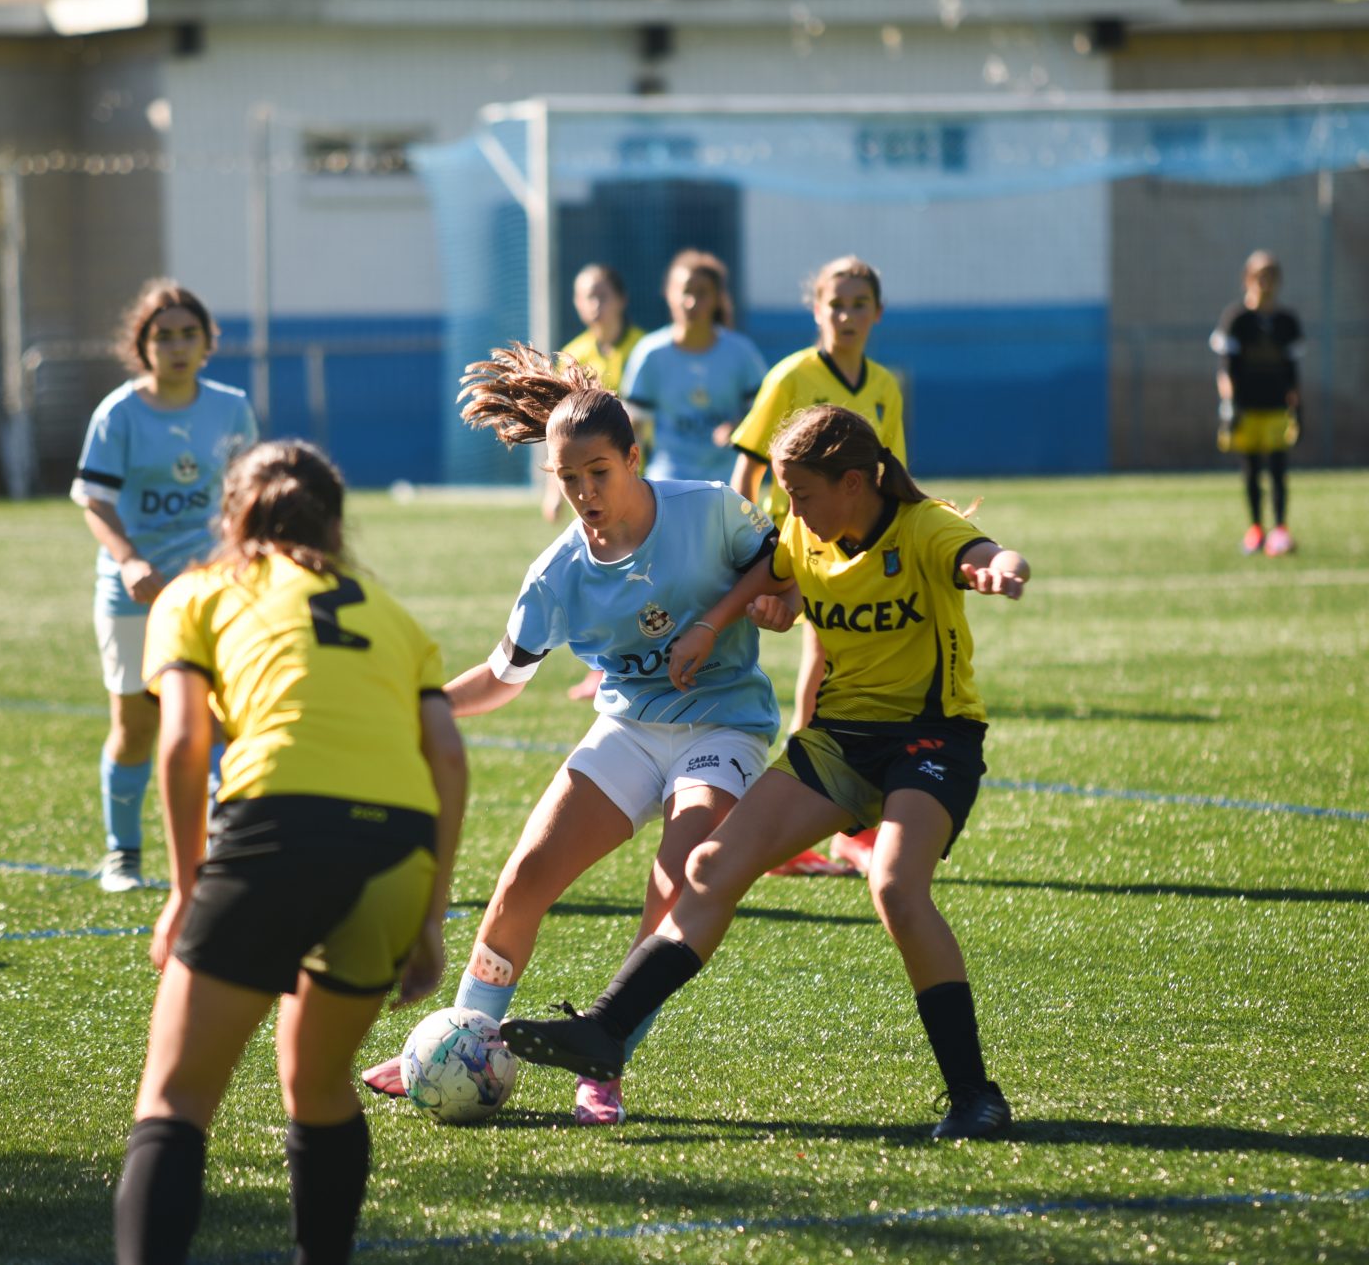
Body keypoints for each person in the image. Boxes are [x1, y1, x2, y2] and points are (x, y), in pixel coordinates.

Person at [501, 405, 1029, 1142]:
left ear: (853, 483)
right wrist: (713, 626)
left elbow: (986, 551)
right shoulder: (806, 532)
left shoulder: (923, 529)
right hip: (840, 742)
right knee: (712, 866)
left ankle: (975, 1094)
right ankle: (607, 1031)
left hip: (930, 737)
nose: (791, 513)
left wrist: (1000, 569)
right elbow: (763, 571)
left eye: (802, 496)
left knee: (896, 889)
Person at [359, 342, 782, 1127]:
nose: (585, 492)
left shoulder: (708, 506)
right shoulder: (556, 574)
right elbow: (502, 677)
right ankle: (461, 1040)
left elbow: (778, 564)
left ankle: (606, 1054)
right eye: (569, 479)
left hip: (723, 726)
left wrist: (735, 615)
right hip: (627, 726)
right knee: (523, 878)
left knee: (676, 880)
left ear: (633, 457)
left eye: (600, 473)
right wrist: (422, 709)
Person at [114, 440, 467, 1265]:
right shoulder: (391, 611)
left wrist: (183, 888)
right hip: (396, 850)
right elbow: (447, 753)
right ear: (336, 525)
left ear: (232, 518)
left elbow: (181, 744)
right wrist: (429, 916)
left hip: (274, 830)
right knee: (316, 1084)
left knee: (173, 1100)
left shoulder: (197, 592)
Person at [72, 280, 258, 893]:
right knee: (135, 725)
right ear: (142, 346)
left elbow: (247, 492)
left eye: (188, 335)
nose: (177, 347)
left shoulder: (230, 407)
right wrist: (128, 561)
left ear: (207, 343)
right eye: (163, 336)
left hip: (210, 592)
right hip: (135, 594)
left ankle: (215, 858)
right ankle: (122, 855)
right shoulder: (119, 412)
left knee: (217, 721)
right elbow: (93, 499)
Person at [730, 256, 909, 877]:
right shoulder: (792, 376)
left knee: (839, 662)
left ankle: (829, 823)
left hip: (855, 549)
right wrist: (751, 541)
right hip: (796, 547)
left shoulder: (883, 386)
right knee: (821, 662)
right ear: (816, 310)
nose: (848, 315)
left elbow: (892, 479)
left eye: (860, 303)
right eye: (836, 303)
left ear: (878, 312)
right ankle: (803, 817)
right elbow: (749, 468)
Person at [552, 264, 647, 701]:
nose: (594, 305)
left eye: (602, 295)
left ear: (622, 299)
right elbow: (557, 432)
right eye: (585, 296)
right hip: (595, 491)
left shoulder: (645, 350)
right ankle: (602, 664)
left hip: (642, 479)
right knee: (598, 570)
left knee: (642, 572)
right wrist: (554, 490)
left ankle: (649, 654)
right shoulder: (571, 355)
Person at [622, 249, 768, 485]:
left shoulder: (741, 353)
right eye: (686, 291)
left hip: (728, 480)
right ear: (669, 294)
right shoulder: (650, 353)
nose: (692, 302)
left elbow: (764, 413)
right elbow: (633, 425)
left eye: (702, 293)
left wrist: (739, 428)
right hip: (668, 480)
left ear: (718, 298)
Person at [1211, 250, 1304, 557]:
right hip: (1247, 407)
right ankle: (1255, 529)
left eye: (1270, 277)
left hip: (1276, 406)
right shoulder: (1237, 319)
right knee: (1250, 470)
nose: (1265, 283)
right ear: (1247, 280)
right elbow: (1226, 368)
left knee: (1278, 469)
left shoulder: (1287, 321)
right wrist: (1228, 404)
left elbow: (1292, 371)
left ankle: (1280, 530)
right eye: (1259, 276)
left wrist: (1298, 407)